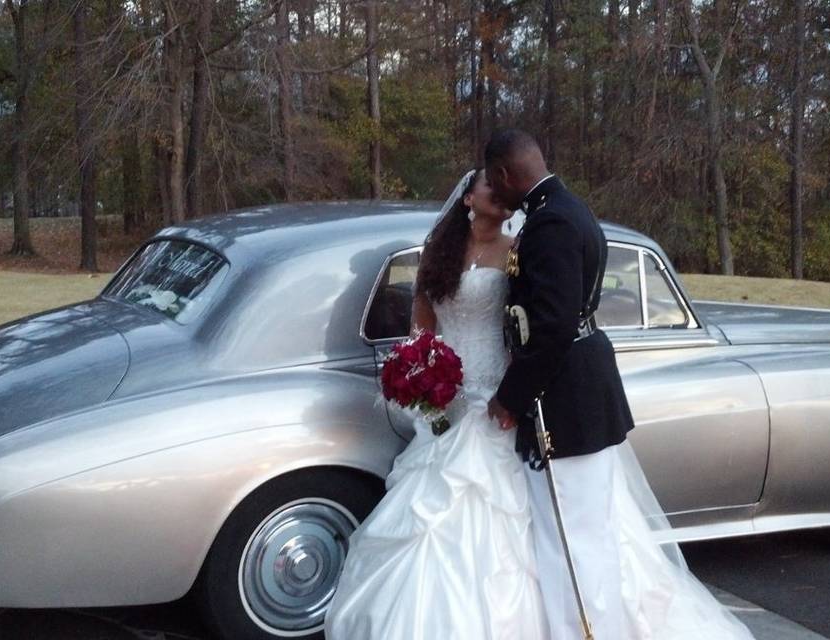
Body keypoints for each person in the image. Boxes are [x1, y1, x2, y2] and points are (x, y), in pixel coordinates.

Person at [484, 128, 755, 640]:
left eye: (495, 183)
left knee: (571, 541)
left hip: (562, 401)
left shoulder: (552, 224)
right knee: (584, 536)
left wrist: (509, 399)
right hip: (574, 392)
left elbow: (553, 325)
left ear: (503, 174)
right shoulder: (565, 210)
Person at [323, 168, 550, 639]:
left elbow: (522, 330)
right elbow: (421, 333)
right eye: (491, 185)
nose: (501, 194)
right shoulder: (437, 254)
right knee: (428, 509)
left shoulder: (516, 253)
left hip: (495, 397)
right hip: (445, 400)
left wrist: (513, 393)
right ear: (468, 197)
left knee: (496, 514)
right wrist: (422, 380)